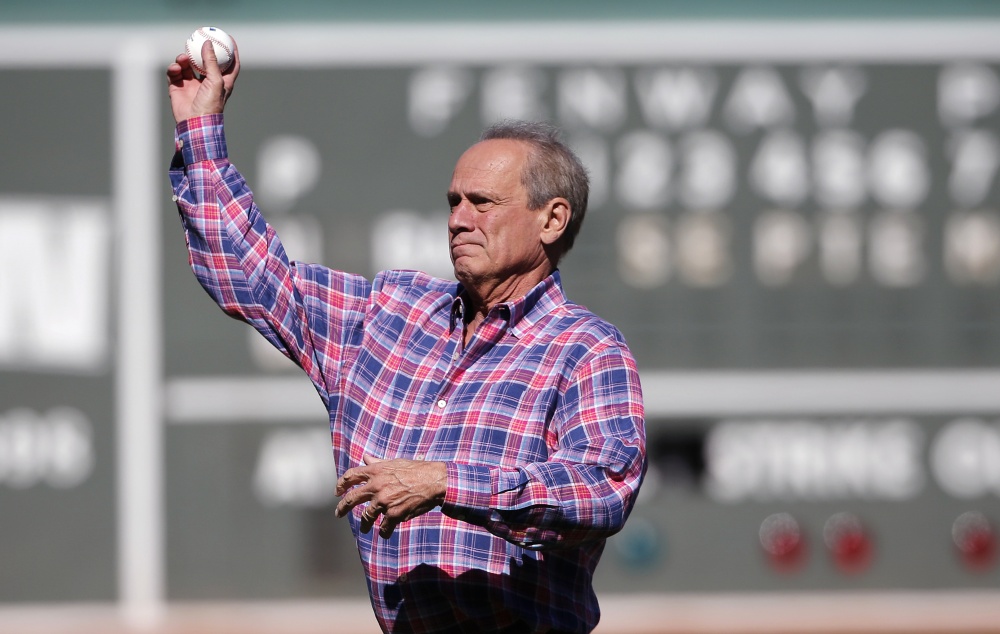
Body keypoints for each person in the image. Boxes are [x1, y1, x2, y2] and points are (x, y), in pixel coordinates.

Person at [167, 39, 646, 634]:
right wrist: (199, 127)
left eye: (483, 203)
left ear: (551, 219)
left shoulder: (586, 350)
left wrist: (446, 482)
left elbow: (600, 489)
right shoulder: (389, 316)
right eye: (453, 202)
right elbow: (257, 277)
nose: (458, 218)